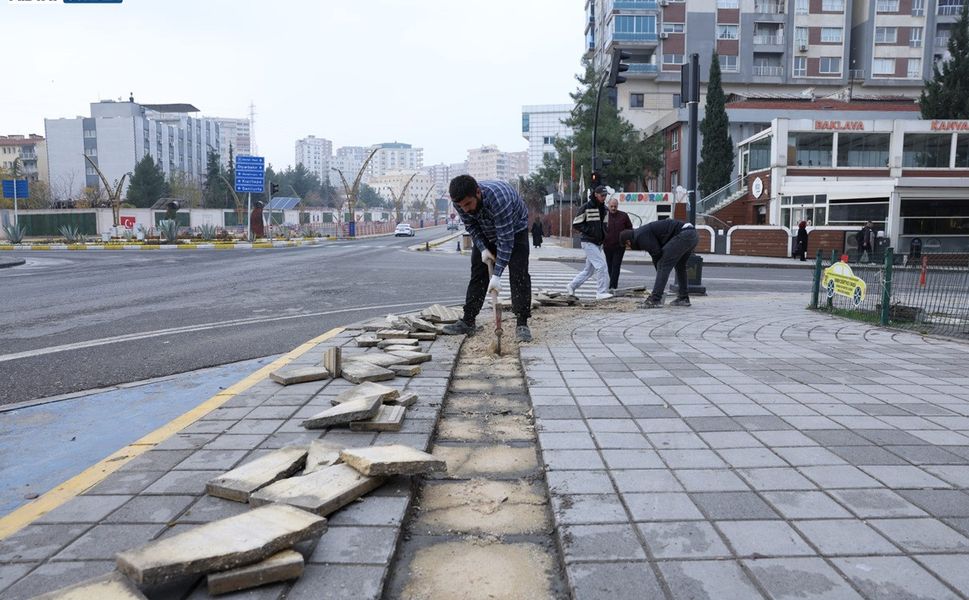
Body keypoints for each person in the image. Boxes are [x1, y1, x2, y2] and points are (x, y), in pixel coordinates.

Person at [442, 175, 533, 342]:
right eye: (462, 206)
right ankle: (468, 321)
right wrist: (483, 248)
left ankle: (522, 323)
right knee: (478, 273)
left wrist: (497, 276)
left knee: (519, 274)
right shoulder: (459, 202)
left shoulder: (499, 199)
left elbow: (505, 241)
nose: (465, 209)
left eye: (468, 204)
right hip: (485, 231)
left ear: (478, 192)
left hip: (514, 229)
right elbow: (471, 226)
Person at [619, 218, 699, 308]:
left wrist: (660, 271)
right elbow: (655, 253)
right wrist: (660, 271)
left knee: (663, 264)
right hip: (692, 234)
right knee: (680, 266)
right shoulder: (640, 234)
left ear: (628, 241)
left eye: (627, 246)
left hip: (684, 235)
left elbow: (657, 253)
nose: (629, 248)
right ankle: (683, 298)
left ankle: (655, 299)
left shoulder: (640, 236)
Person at [565, 186, 612, 300]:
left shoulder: (605, 209)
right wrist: (590, 231)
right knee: (601, 266)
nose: (604, 197)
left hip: (598, 242)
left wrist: (604, 236)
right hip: (588, 241)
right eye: (602, 195)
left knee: (589, 271)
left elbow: (605, 226)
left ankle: (572, 286)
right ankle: (601, 292)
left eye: (605, 195)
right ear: (596, 194)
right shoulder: (586, 207)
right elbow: (576, 223)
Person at [603, 197, 633, 291]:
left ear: (617, 206)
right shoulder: (604, 215)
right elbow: (600, 228)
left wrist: (627, 239)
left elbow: (629, 228)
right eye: (611, 206)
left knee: (616, 265)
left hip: (620, 245)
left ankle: (613, 286)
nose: (613, 208)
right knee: (610, 266)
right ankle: (612, 284)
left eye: (615, 206)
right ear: (608, 206)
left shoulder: (623, 216)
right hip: (607, 245)